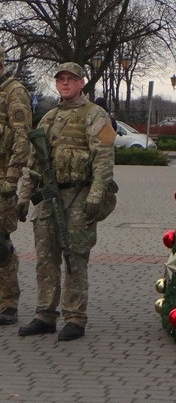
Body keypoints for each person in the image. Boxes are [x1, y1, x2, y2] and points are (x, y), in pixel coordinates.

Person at [17, 63, 117, 342]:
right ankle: (44, 315)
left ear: (81, 82)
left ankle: (75, 317)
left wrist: (96, 195)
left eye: (70, 79)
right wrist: (25, 197)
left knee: (75, 257)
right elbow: (33, 163)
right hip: (49, 197)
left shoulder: (95, 115)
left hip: (79, 195)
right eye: (60, 79)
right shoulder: (48, 118)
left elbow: (104, 160)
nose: (64, 84)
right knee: (45, 258)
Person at [0, 48, 33, 326]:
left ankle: (8, 303)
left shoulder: (14, 92)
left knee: (0, 245)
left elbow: (22, 139)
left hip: (1, 181)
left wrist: (11, 180)